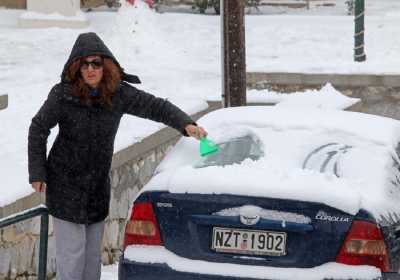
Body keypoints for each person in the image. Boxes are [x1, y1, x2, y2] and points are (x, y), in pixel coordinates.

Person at [28, 32, 207, 280]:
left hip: (96, 189)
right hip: (64, 186)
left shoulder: (117, 93)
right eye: (84, 64)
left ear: (106, 65)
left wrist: (185, 124)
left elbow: (155, 106)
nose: (90, 70)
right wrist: (37, 172)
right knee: (72, 261)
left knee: (91, 265)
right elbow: (38, 128)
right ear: (76, 67)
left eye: (96, 64)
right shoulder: (63, 95)